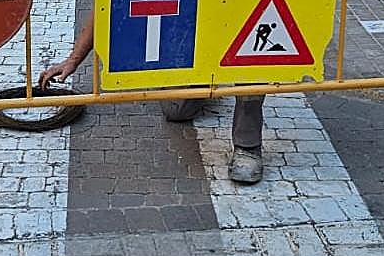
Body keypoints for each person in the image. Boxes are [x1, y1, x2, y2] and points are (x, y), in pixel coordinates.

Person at [40, 14, 265, 184]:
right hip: (197, 24)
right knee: (177, 110)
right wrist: (73, 60)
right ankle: (204, 73)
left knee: (260, 54)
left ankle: (248, 145)